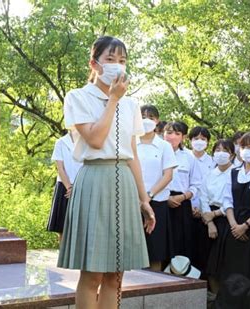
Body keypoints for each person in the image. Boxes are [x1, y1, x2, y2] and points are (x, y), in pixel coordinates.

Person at [57, 36, 156, 309]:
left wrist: (144, 199)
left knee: (116, 274)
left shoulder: (132, 105)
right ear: (94, 64)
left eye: (122, 61)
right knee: (92, 273)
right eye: (110, 60)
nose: (117, 66)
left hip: (123, 180)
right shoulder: (78, 97)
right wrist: (113, 99)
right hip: (94, 179)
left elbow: (132, 152)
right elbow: (96, 139)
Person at [137, 105, 177, 271]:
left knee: (156, 251)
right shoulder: (129, 143)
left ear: (157, 121)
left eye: (151, 117)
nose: (147, 120)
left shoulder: (164, 146)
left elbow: (168, 175)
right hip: (132, 202)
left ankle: (153, 289)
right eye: (143, 116)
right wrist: (139, 198)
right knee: (132, 250)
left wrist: (148, 196)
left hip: (157, 202)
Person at [221, 132, 250, 283]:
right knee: (231, 268)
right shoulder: (233, 172)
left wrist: (245, 226)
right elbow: (227, 200)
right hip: (233, 226)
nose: (246, 150)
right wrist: (234, 225)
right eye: (243, 146)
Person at [200, 139, 235, 294]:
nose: (221, 153)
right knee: (209, 264)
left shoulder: (236, 174)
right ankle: (213, 297)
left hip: (228, 219)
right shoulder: (210, 174)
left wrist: (216, 214)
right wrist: (209, 222)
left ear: (232, 155)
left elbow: (233, 200)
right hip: (208, 220)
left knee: (223, 264)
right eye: (217, 150)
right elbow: (203, 197)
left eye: (225, 150)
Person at [164, 121, 202, 261]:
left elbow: (195, 184)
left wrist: (183, 197)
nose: (172, 136)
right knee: (162, 244)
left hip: (182, 203)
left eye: (177, 133)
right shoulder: (157, 154)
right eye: (169, 133)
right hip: (161, 202)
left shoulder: (189, 157)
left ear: (183, 137)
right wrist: (165, 197)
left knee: (181, 244)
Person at [188, 126, 215, 278]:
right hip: (185, 208)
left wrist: (202, 209)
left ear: (208, 142)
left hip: (206, 213)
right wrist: (191, 207)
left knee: (203, 250)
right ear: (190, 140)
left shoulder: (212, 162)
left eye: (203, 139)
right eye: (196, 138)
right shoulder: (184, 158)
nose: (199, 142)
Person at [47, 129, 82, 241]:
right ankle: (62, 257)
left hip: (82, 186)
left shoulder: (87, 141)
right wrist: (69, 188)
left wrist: (76, 188)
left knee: (81, 226)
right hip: (64, 187)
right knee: (62, 228)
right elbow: (60, 168)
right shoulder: (60, 142)